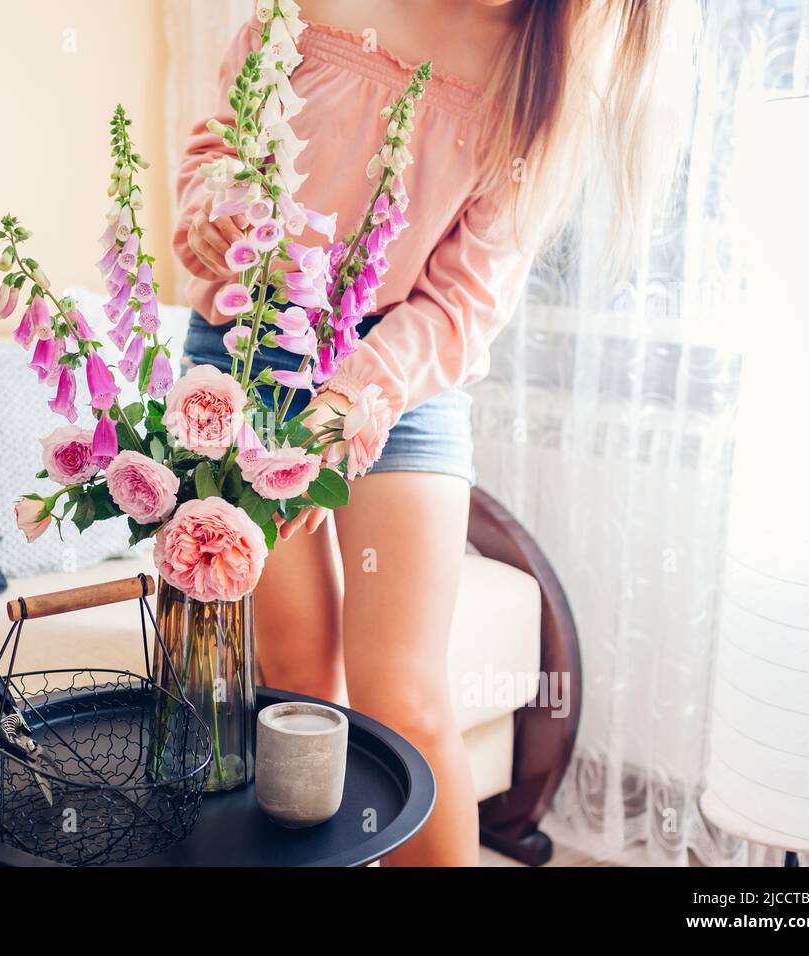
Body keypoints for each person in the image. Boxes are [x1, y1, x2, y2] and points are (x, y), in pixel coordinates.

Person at [173, 0, 685, 865]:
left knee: (402, 698)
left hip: (403, 376)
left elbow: (459, 306)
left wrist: (351, 402)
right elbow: (219, 144)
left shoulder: (544, 82)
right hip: (246, 349)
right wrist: (214, 210)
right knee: (292, 683)